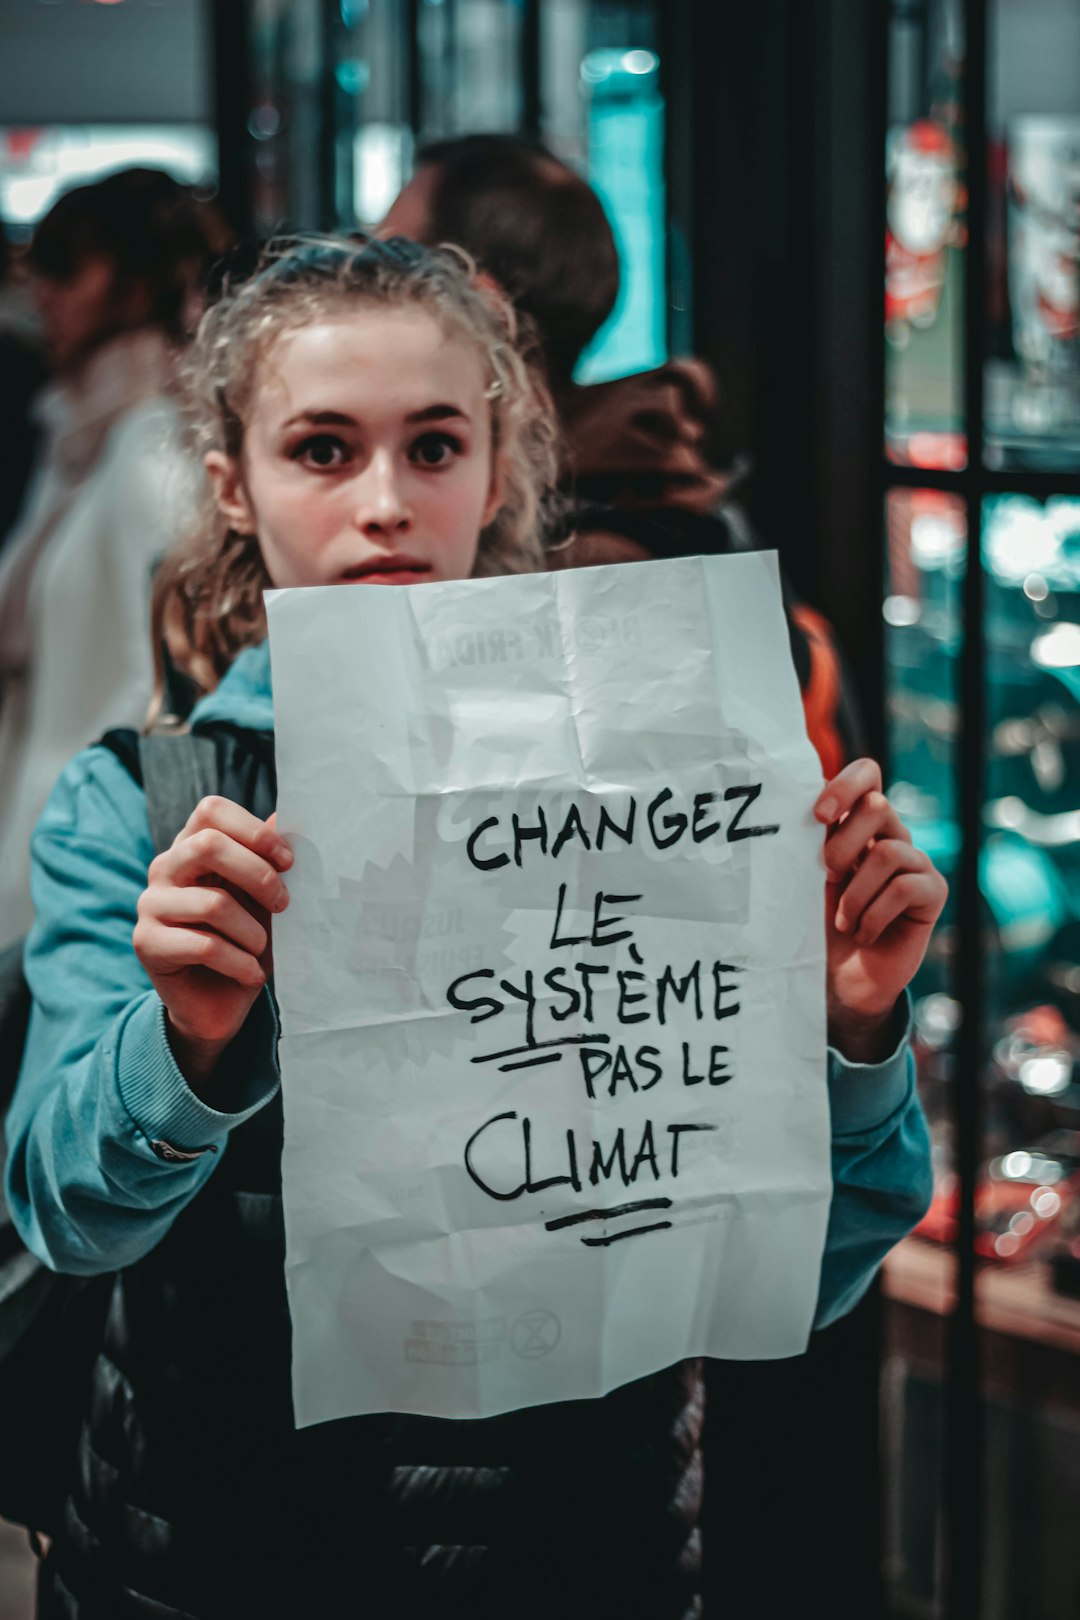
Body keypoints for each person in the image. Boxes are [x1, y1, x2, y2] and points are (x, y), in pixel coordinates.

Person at [5, 236, 945, 1618]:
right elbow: (59, 1212)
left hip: (592, 1558)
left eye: (433, 447)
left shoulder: (669, 787)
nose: (385, 502)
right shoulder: (141, 813)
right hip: (210, 1563)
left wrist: (856, 1030)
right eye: (322, 450)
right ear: (233, 487)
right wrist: (186, 1049)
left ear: (496, 474)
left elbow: (804, 1282)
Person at [381, 135, 863, 780]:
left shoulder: (576, 565)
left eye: (390, 265)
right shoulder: (672, 490)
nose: (364, 292)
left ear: (480, 307)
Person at [0, 169, 223, 948]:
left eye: (65, 265)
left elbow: (162, 677)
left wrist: (76, 823)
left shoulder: (152, 444)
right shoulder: (82, 436)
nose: (41, 291)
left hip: (82, 862)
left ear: (134, 281)